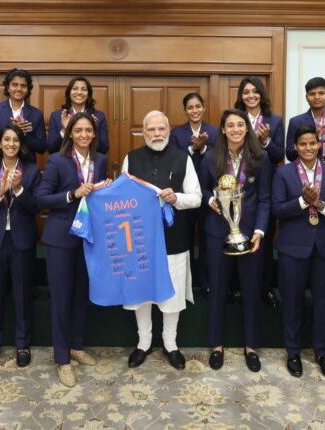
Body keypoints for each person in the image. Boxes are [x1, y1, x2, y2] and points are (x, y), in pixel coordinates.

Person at [121, 111, 201, 370]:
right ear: (144, 133)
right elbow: (122, 198)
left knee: (172, 292)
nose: (156, 134)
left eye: (161, 129)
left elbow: (197, 198)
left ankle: (170, 343)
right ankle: (143, 342)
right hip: (140, 240)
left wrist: (176, 197)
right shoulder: (131, 159)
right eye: (151, 130)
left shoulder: (183, 158)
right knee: (142, 292)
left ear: (169, 130)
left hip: (174, 238)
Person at [271, 124, 325, 381]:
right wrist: (304, 201)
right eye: (302, 144)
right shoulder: (283, 173)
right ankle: (293, 352)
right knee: (292, 301)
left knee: (324, 303)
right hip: (293, 248)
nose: (307, 148)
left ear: (320, 145)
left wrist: (320, 204)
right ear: (295, 147)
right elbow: (277, 210)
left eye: (312, 143)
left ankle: (322, 353)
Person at [36, 112, 107, 387]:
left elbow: (96, 198)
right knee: (61, 298)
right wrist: (72, 194)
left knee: (80, 294)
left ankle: (76, 346)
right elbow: (41, 198)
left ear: (94, 133)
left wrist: (103, 189)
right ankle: (62, 358)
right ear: (70, 133)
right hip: (61, 237)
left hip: (88, 237)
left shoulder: (99, 160)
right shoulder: (57, 160)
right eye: (78, 130)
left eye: (88, 130)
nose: (84, 135)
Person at [200, 108, 271, 373]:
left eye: (241, 125)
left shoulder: (260, 158)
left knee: (251, 291)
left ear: (247, 129)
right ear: (222, 129)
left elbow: (265, 198)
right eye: (230, 125)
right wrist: (210, 200)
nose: (236, 129)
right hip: (218, 232)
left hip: (250, 233)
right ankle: (216, 345)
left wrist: (260, 231)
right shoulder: (210, 157)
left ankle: (251, 346)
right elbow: (202, 188)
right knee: (218, 289)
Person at [0, 124, 40, 370]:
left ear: (20, 145)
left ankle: (23, 345)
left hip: (21, 240)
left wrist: (20, 189)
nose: (11, 144)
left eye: (15, 140)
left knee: (22, 294)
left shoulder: (32, 171)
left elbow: (36, 207)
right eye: (7, 139)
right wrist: (0, 193)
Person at [234, 76, 284, 308]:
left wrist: (265, 142)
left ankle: (265, 288)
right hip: (237, 187)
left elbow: (278, 156)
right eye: (246, 92)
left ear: (261, 95)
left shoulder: (274, 121)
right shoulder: (235, 119)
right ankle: (236, 287)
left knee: (262, 236)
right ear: (241, 96)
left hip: (265, 187)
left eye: (255, 91)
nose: (251, 95)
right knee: (236, 234)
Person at [169, 93, 218, 297]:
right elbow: (173, 159)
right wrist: (191, 148)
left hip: (207, 193)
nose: (195, 110)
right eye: (190, 107)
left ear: (204, 107)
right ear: (185, 110)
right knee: (186, 238)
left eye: (198, 106)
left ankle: (206, 281)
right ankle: (186, 281)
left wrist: (204, 148)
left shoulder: (214, 132)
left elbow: (220, 158)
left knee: (207, 238)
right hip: (185, 194)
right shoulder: (177, 133)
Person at [0, 68, 46, 161]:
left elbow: (42, 148)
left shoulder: (36, 114)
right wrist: (10, 129)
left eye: (23, 86)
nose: (19, 89)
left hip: (27, 169)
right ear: (7, 87)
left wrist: (22, 134)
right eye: (15, 85)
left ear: (28, 89)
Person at [285, 77, 325, 165]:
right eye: (312, 94)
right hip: (303, 172)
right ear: (306, 97)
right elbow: (289, 155)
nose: (317, 97)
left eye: (321, 93)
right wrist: (310, 139)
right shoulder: (295, 122)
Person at [47, 76, 109, 154]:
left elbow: (104, 149)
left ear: (88, 94)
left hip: (90, 163)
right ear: (69, 93)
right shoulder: (56, 116)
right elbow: (51, 149)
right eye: (75, 89)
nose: (79, 92)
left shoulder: (99, 116)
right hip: (63, 164)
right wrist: (65, 130)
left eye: (84, 89)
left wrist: (93, 129)